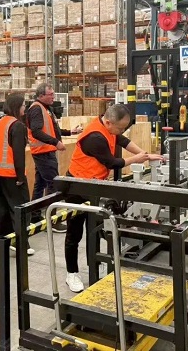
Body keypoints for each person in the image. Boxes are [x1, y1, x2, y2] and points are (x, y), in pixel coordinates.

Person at [64, 104, 164, 293]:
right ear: (109, 122)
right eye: (120, 127)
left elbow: (123, 141)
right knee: (74, 232)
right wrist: (136, 159)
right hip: (77, 187)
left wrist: (145, 154)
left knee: (95, 229)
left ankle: (95, 265)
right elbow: (112, 162)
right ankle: (72, 273)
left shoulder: (109, 128)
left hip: (95, 186)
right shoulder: (95, 138)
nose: (122, 131)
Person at [27, 83, 79, 230]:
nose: (53, 97)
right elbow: (36, 132)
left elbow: (52, 129)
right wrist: (55, 142)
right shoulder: (37, 109)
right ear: (41, 95)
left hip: (45, 151)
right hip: (43, 152)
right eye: (50, 94)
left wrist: (70, 132)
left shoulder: (46, 109)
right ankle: (53, 221)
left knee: (40, 185)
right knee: (54, 185)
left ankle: (35, 216)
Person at [0, 93, 35, 255]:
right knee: (21, 209)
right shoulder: (17, 126)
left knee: (3, 207)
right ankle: (21, 243)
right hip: (12, 174)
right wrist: (20, 177)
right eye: (24, 105)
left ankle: (2, 239)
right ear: (17, 107)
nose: (25, 108)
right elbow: (18, 154)